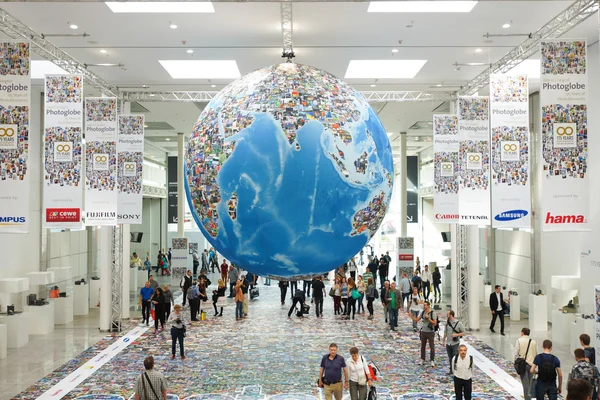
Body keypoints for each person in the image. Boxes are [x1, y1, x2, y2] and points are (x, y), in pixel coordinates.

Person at [411, 301, 437, 367]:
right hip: (423, 331)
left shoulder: (433, 313)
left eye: (425, 305)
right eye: (424, 305)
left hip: (430, 332)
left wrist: (428, 318)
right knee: (423, 346)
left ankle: (432, 360)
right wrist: (411, 317)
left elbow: (434, 323)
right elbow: (417, 319)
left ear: (428, 305)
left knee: (432, 347)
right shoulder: (423, 312)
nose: (424, 306)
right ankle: (422, 359)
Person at [514, 327, 537, 400]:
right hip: (532, 365)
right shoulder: (533, 342)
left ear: (522, 333)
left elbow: (516, 353)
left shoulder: (519, 341)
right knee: (530, 383)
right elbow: (536, 353)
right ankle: (529, 397)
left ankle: (528, 398)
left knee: (525, 384)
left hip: (522, 365)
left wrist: (515, 362)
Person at [443, 310, 465, 374]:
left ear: (451, 315)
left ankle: (456, 370)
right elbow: (445, 332)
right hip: (448, 343)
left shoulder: (458, 323)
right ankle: (451, 370)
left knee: (455, 357)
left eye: (448, 314)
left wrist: (456, 335)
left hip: (455, 343)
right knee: (450, 357)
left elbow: (464, 332)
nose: (447, 315)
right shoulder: (447, 323)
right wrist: (443, 340)